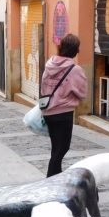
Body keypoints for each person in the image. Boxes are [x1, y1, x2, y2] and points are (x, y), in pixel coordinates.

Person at [40, 33, 88, 177]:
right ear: (75, 50)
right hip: (63, 112)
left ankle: (56, 175)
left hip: (48, 111)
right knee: (63, 147)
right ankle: (50, 177)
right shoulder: (75, 70)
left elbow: (43, 87)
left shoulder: (49, 65)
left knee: (56, 147)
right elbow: (82, 92)